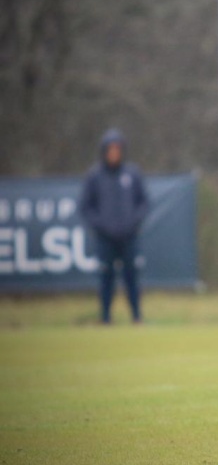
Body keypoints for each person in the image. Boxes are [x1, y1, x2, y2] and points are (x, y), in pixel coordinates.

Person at [79, 128, 148, 325]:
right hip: (105, 239)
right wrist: (101, 226)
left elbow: (143, 202)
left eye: (117, 149)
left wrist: (133, 222)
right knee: (105, 277)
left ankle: (136, 317)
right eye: (111, 149)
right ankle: (106, 318)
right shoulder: (94, 176)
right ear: (104, 151)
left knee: (132, 277)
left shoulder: (132, 174)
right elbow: (85, 207)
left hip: (129, 237)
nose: (114, 153)